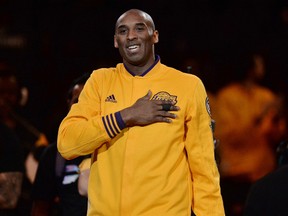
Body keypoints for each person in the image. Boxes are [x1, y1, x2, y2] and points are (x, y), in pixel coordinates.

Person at [57, 9, 224, 215]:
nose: (131, 36)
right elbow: (67, 142)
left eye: (139, 28)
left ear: (155, 36)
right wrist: (126, 116)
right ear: (116, 41)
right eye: (123, 30)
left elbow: (204, 171)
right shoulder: (100, 81)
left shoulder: (187, 86)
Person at [213, 52, 287, 216]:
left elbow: (277, 132)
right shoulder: (227, 96)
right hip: (237, 172)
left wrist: (273, 127)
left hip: (265, 169)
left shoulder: (266, 95)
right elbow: (226, 133)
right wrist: (256, 122)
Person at [31, 73, 90, 216]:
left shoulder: (118, 146)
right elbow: (41, 207)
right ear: (68, 104)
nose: (84, 109)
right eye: (77, 102)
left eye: (91, 102)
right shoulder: (54, 155)